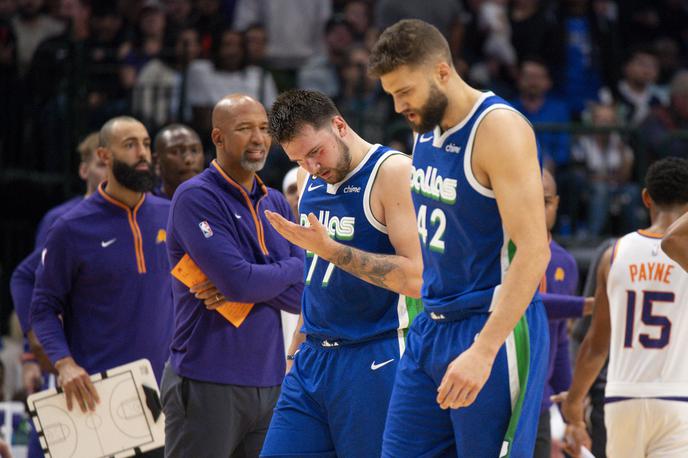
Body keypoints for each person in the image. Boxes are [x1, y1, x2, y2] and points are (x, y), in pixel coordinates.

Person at [368, 19, 550, 457]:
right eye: (391, 94)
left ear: (443, 72)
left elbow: (534, 251)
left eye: (404, 92)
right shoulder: (423, 126)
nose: (398, 106)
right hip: (432, 323)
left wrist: (484, 350)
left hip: (491, 326)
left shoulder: (498, 129)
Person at [260, 89, 423, 458]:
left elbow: (417, 278)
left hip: (374, 355)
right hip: (312, 358)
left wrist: (331, 250)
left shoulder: (393, 172)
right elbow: (316, 279)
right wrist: (293, 353)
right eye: (299, 160)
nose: (311, 167)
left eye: (315, 152)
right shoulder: (308, 180)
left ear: (339, 125)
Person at [161, 94, 303, 457]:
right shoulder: (195, 197)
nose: (258, 138)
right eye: (244, 129)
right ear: (218, 138)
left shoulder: (273, 201)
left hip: (270, 380)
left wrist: (256, 280)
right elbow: (238, 282)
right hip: (207, 376)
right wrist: (291, 268)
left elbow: (300, 295)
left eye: (264, 129)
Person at [30, 117, 173, 458]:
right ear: (104, 156)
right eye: (130, 145)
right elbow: (43, 306)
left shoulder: (172, 214)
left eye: (146, 143)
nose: (142, 154)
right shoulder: (72, 227)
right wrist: (63, 363)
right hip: (98, 396)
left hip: (166, 394)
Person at [559, 157, 688, 458]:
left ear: (645, 198)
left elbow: (595, 344)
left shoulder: (613, 253)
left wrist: (575, 400)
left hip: (621, 397)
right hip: (676, 396)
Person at [10, 132, 105, 458]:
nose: (108, 170)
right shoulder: (61, 220)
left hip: (122, 354)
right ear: (84, 170)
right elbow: (35, 286)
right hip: (69, 355)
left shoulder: (146, 213)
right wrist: (30, 352)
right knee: (57, 443)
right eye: (100, 163)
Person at [534, 169, 593, 457]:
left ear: (556, 203)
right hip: (496, 394)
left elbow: (559, 344)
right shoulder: (496, 253)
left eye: (546, 202)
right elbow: (527, 303)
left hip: (540, 402)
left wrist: (572, 417)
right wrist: (588, 305)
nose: (539, 210)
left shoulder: (565, 263)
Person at [151, 123, 205, 199]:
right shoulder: (147, 206)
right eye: (175, 152)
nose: (188, 159)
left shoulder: (216, 201)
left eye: (194, 150)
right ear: (156, 161)